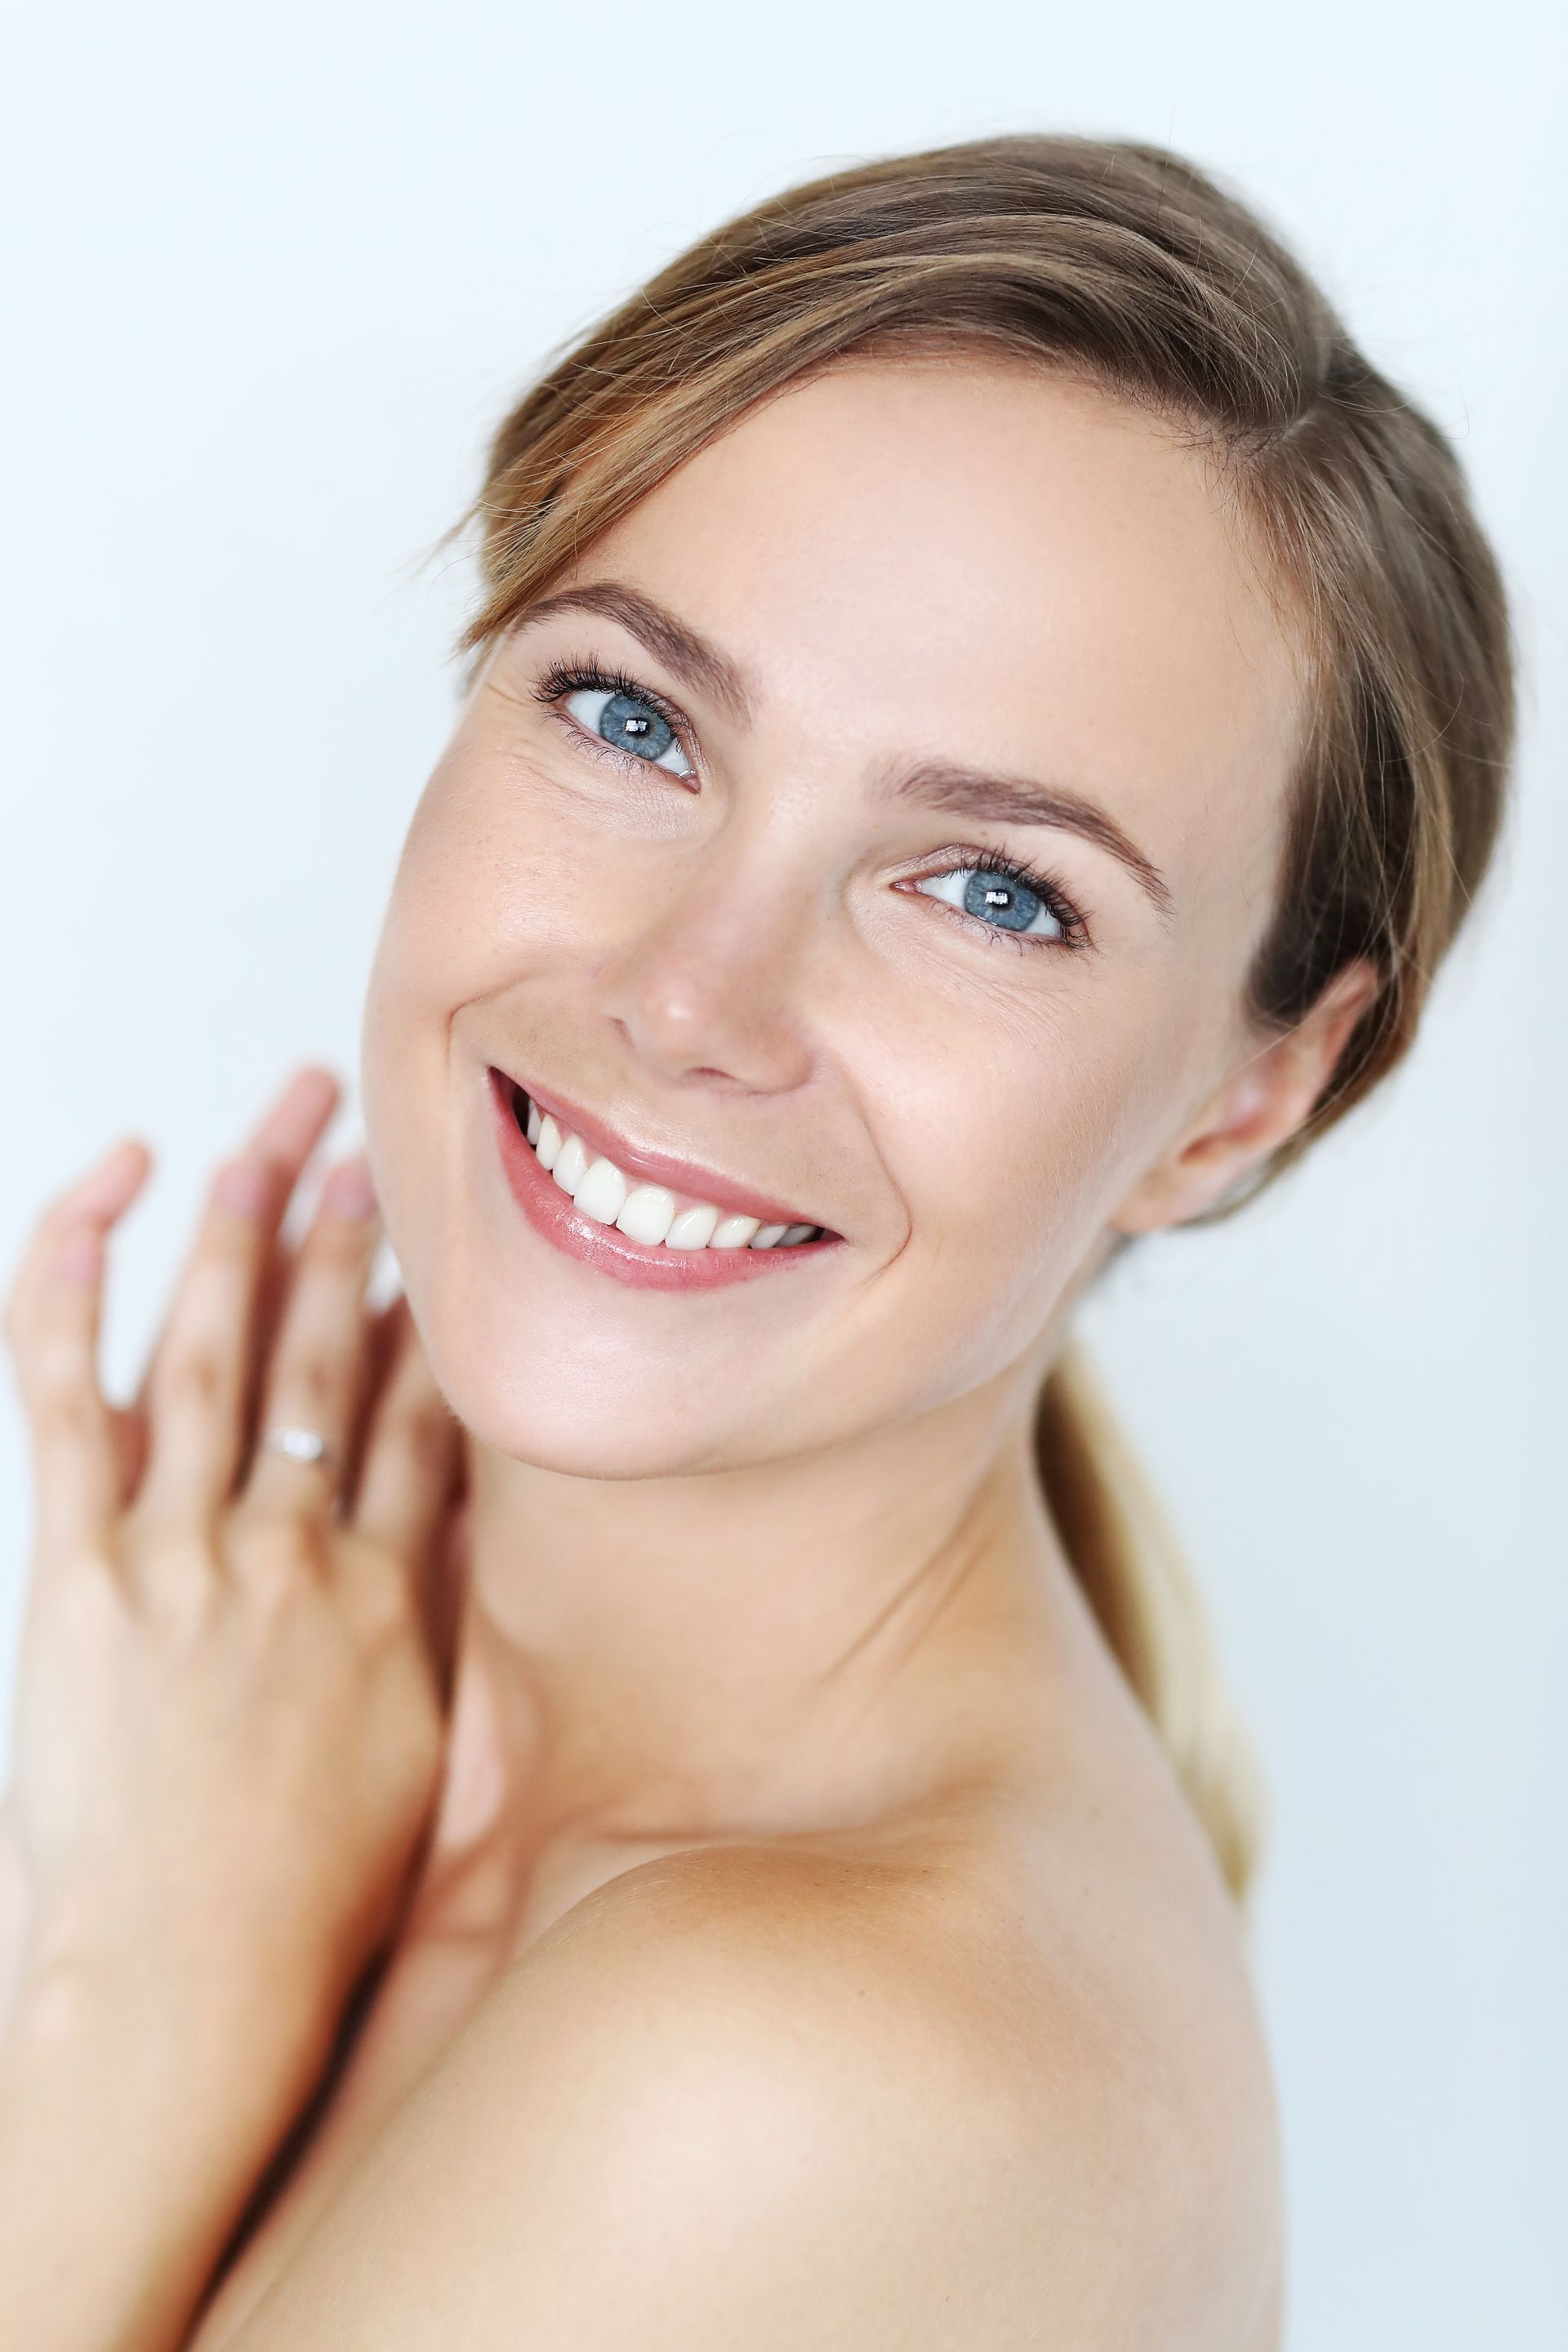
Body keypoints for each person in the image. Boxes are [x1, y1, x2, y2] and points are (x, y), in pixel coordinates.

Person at [0, 134, 1511, 2350]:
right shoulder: (268, 1660)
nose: (690, 997)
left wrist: (121, 2014)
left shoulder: (802, 2072)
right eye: (632, 715)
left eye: (997, 889)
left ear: (1249, 1093)